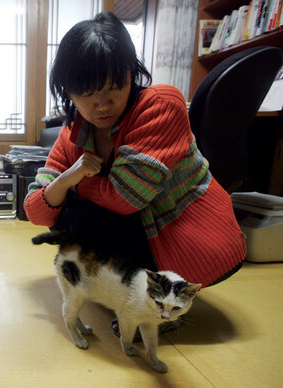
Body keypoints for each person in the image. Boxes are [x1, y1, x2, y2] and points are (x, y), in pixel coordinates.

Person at [24, 12, 246, 335]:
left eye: (116, 86)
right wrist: (66, 178)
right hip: (145, 231)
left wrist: (72, 187)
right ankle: (133, 291)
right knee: (66, 215)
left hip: (193, 240)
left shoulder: (161, 106)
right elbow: (35, 209)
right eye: (88, 93)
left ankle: (162, 307)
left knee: (76, 212)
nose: (103, 104)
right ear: (68, 93)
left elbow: (125, 198)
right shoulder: (73, 131)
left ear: (132, 74)